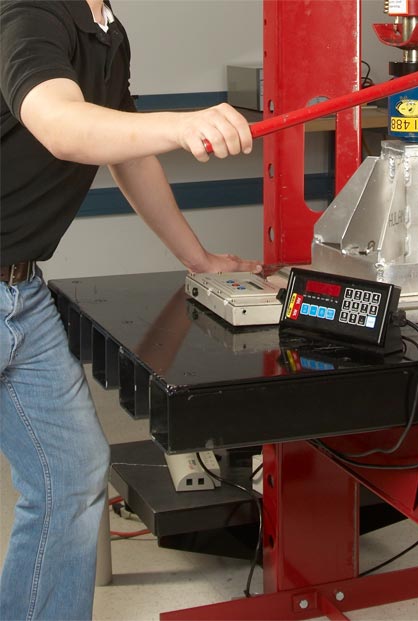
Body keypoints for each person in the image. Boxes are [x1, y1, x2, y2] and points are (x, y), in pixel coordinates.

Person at [0, 0, 262, 618]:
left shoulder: (105, 24)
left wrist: (197, 258)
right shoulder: (30, 10)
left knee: (71, 477)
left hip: (21, 290)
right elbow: (62, 125)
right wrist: (183, 124)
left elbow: (127, 150)